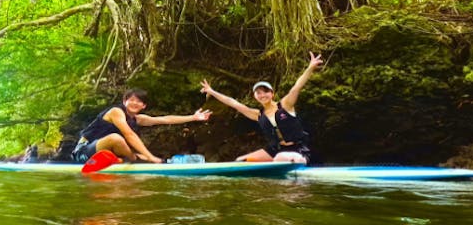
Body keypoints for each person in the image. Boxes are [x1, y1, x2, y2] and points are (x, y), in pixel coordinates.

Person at [200, 52, 323, 164]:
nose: (262, 95)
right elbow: (233, 103)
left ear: (272, 94)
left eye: (265, 91)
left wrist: (310, 67)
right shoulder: (258, 114)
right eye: (258, 93)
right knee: (241, 160)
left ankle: (299, 162)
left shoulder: (285, 105)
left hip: (298, 149)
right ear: (255, 97)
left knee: (280, 158)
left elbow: (296, 87)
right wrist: (212, 91)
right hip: (276, 150)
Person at [72, 88, 212, 164]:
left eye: (139, 102)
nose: (135, 103)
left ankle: (127, 160)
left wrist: (193, 117)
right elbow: (129, 135)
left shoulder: (138, 119)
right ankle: (133, 159)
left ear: (144, 106)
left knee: (141, 156)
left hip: (108, 153)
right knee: (116, 139)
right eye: (131, 100)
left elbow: (164, 119)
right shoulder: (116, 112)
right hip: (83, 152)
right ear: (124, 101)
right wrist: (149, 156)